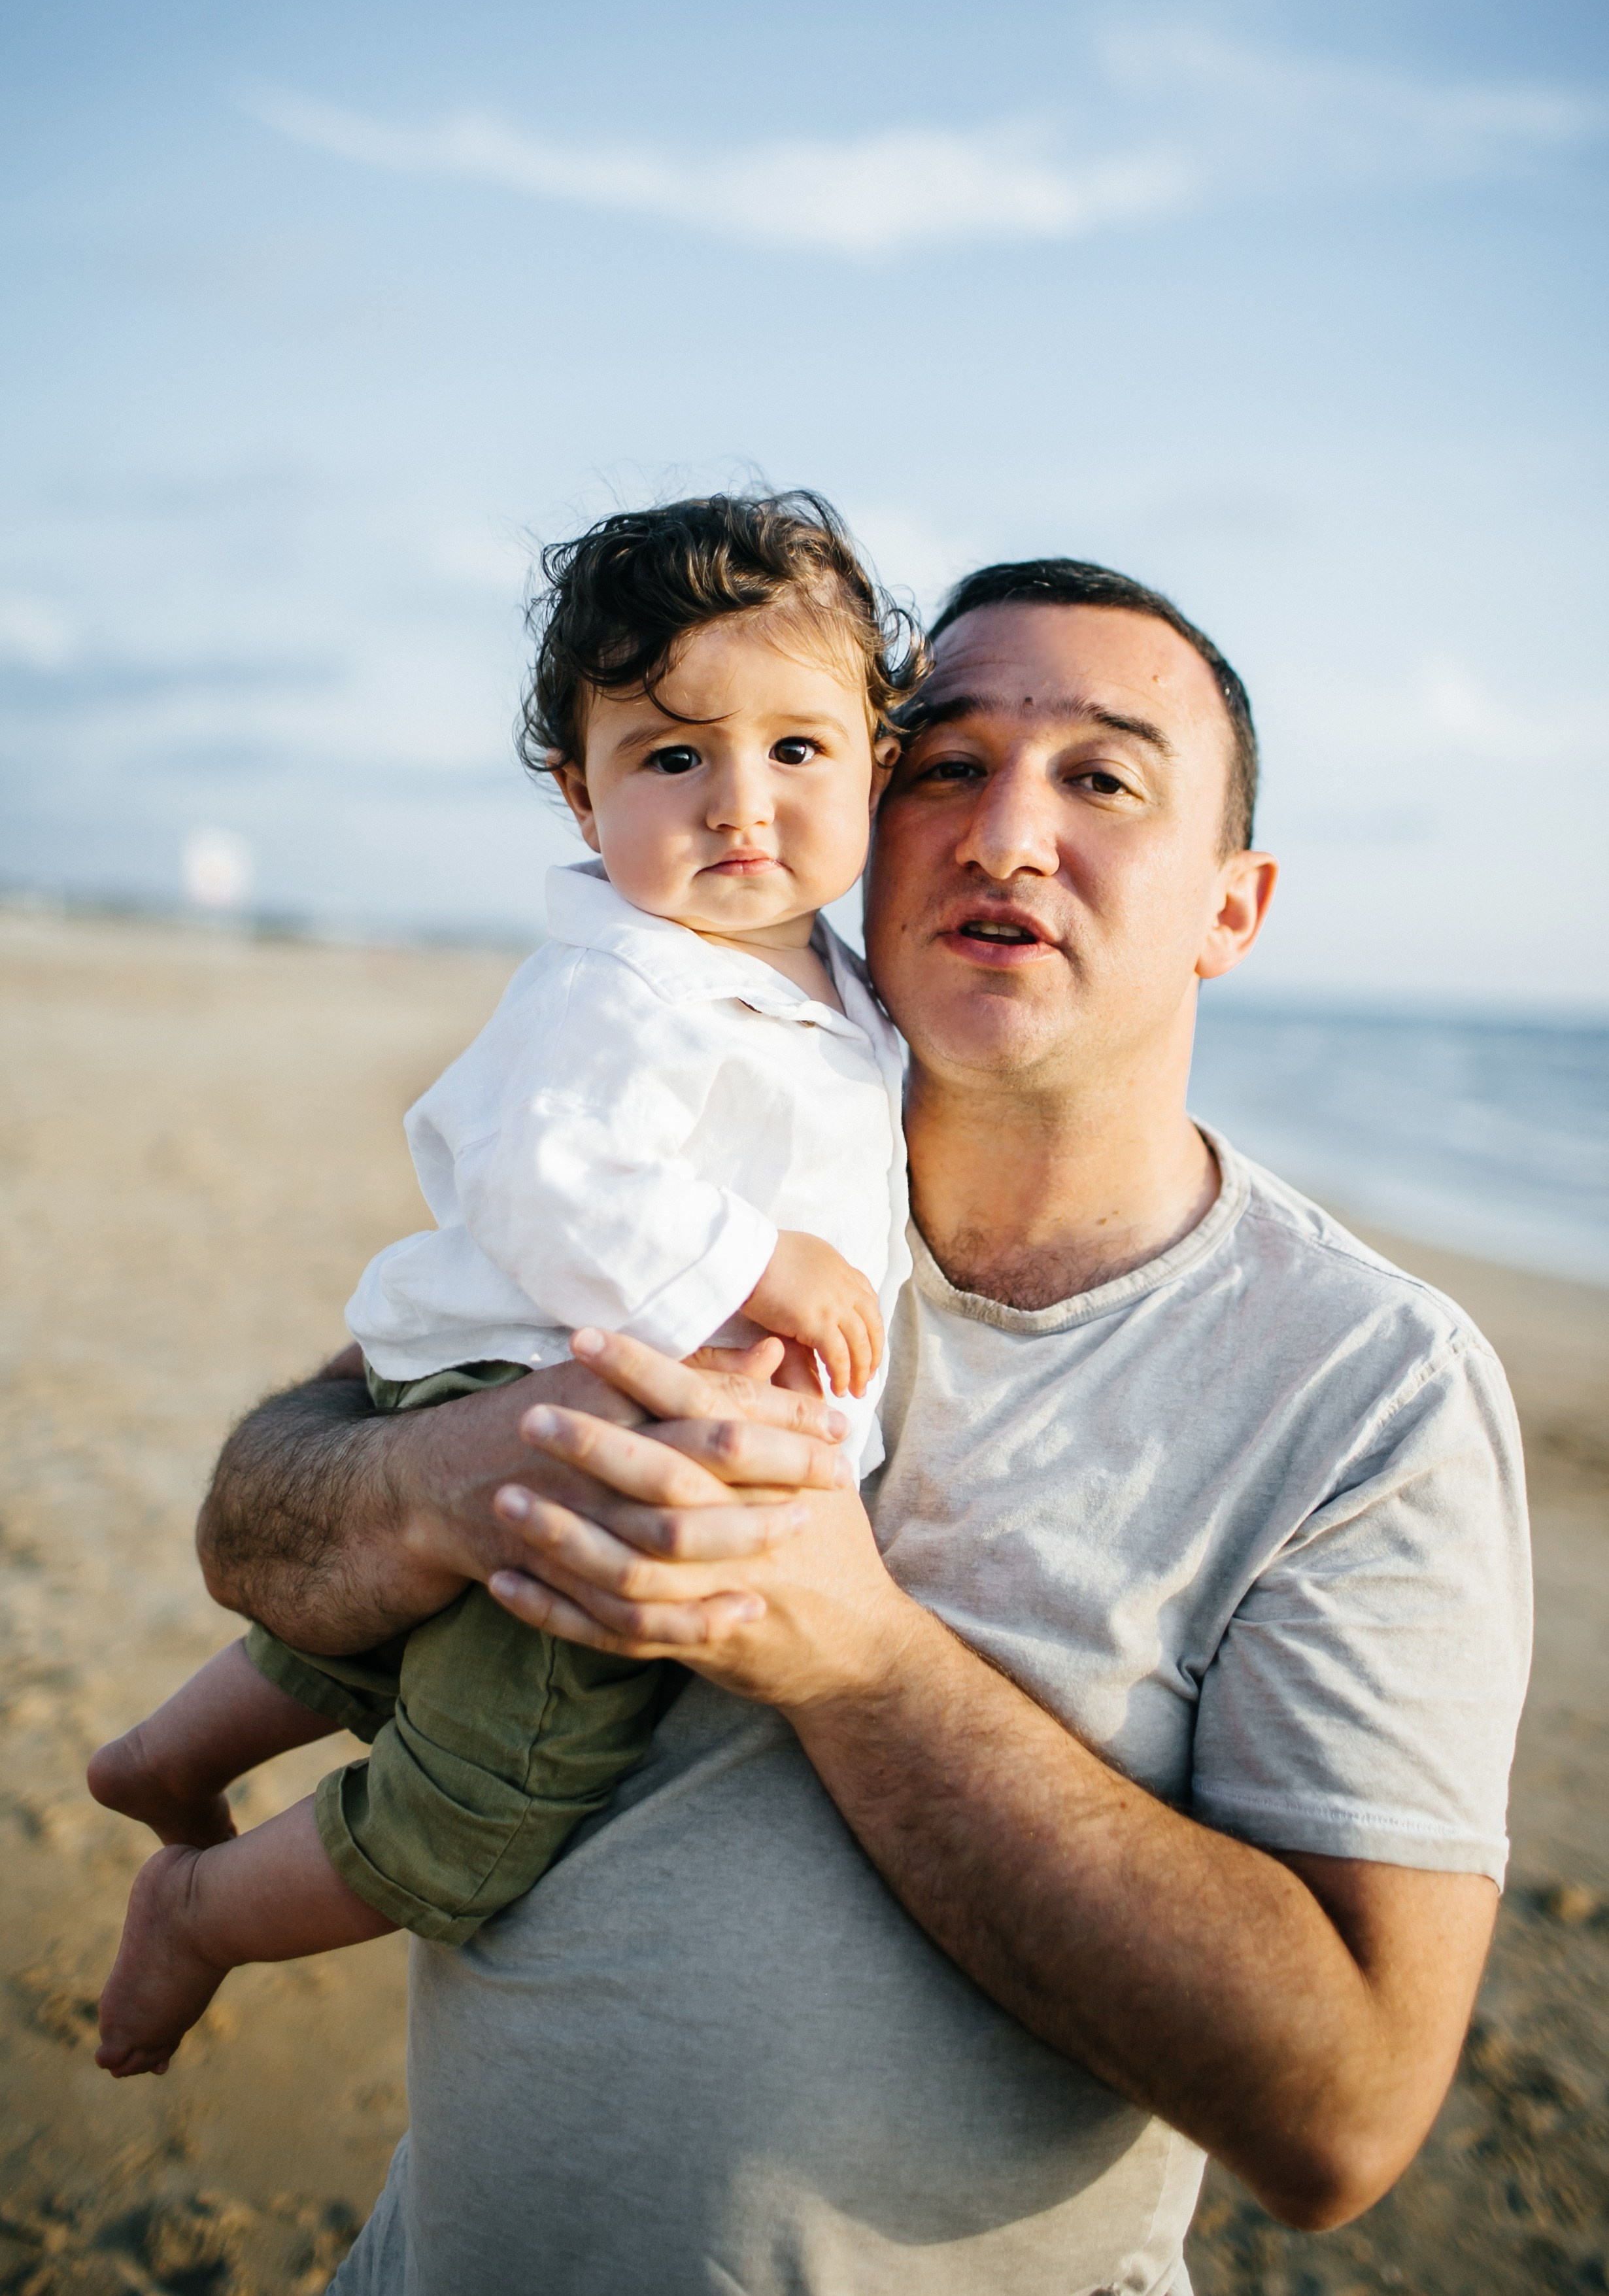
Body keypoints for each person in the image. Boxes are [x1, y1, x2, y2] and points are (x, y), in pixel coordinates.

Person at [196, 553, 1531, 2296]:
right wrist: (445, 1481)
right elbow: (250, 1528)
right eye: (944, 765)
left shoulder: (1368, 1389)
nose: (1000, 835)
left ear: (1231, 904)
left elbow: (1337, 2116)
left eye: (1102, 780)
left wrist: (853, 1655)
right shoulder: (683, 1177)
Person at [86, 492, 919, 2077]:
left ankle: (162, 1754)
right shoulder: (626, 978)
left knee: (361, 1644)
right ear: (578, 791)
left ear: (874, 759)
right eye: (674, 757)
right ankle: (199, 1909)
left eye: (797, 752)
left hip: (508, 1375)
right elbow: (544, 1177)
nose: (742, 803)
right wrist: (758, 1262)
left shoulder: (817, 974)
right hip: (557, 1401)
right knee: (487, 1789)